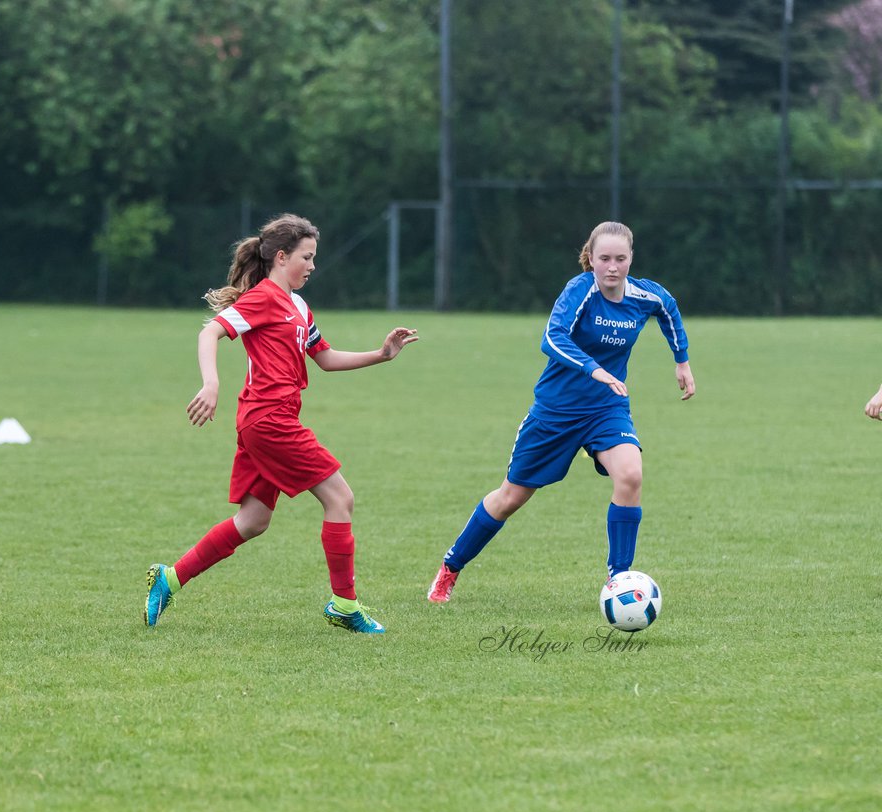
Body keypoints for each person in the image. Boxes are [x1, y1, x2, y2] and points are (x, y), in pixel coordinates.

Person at [144, 213, 418, 634]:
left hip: (265, 420)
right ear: (282, 256)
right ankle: (345, 605)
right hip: (269, 420)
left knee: (253, 521)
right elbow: (210, 333)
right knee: (340, 499)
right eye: (307, 257)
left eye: (314, 258)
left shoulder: (298, 306)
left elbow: (324, 359)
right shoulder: (265, 297)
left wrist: (381, 354)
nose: (312, 265)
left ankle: (170, 578)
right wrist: (211, 383)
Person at [427, 221, 695, 604]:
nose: (613, 267)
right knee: (510, 498)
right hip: (557, 411)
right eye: (604, 258)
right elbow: (553, 338)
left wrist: (681, 361)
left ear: (632, 258)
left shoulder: (644, 295)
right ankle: (450, 568)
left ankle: (618, 580)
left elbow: (668, 309)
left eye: (621, 258)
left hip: (606, 408)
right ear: (592, 257)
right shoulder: (580, 289)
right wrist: (595, 369)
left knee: (631, 475)